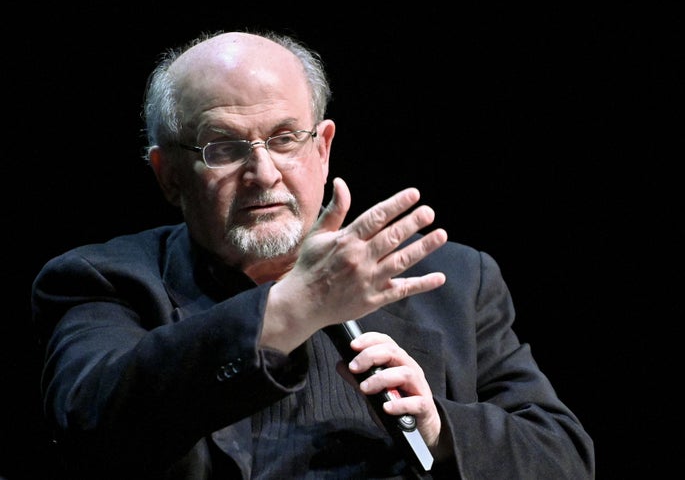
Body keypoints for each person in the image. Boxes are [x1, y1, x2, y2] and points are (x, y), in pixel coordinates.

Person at [30, 29, 595, 479]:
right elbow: (89, 428)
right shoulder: (103, 282)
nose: (263, 173)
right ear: (170, 176)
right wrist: (294, 308)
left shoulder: (454, 281)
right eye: (223, 147)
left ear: (322, 148)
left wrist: (440, 430)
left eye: (283, 138)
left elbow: (563, 457)